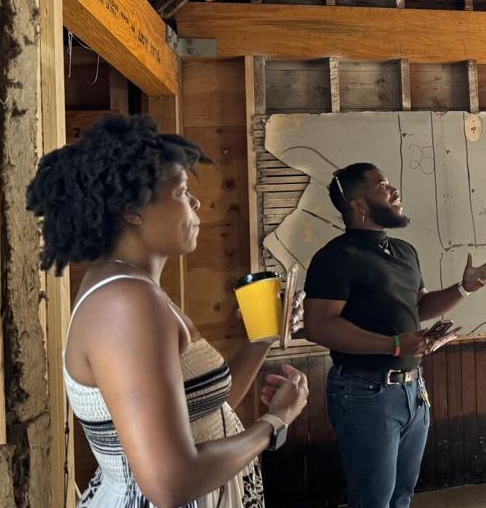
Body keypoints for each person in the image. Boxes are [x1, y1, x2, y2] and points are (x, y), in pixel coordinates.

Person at [26, 114, 309, 507]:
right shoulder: (125, 304)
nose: (195, 202)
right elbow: (169, 482)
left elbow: (203, 410)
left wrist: (263, 337)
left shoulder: (137, 290)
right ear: (133, 211)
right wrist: (275, 423)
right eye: (180, 191)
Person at [302, 162, 486, 508]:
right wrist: (393, 345)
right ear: (358, 205)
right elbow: (319, 326)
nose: (395, 191)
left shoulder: (404, 252)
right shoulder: (335, 257)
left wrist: (464, 288)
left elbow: (420, 307)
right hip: (364, 393)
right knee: (373, 501)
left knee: (401, 497)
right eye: (383, 186)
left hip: (413, 391)